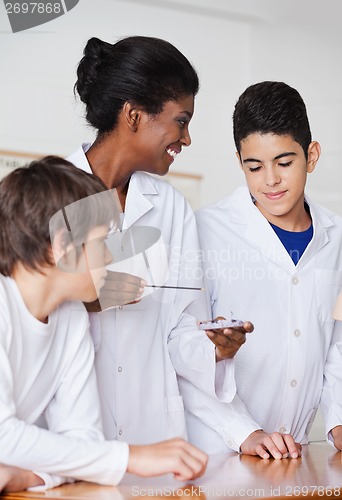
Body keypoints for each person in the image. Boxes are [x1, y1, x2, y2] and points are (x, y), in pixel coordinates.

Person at [68, 35, 253, 448]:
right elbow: (17, 315)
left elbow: (181, 328)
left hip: (155, 434)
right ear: (134, 115)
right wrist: (87, 297)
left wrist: (214, 348)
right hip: (71, 433)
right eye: (181, 121)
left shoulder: (171, 207)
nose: (186, 139)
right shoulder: (48, 191)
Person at [0, 157, 207, 493]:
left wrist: (26, 476)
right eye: (101, 244)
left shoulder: (71, 317)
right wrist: (129, 458)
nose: (109, 258)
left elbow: (84, 440)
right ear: (64, 248)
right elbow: (3, 436)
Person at [192, 81, 342, 458]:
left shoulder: (336, 238)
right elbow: (183, 348)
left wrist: (338, 420)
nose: (270, 180)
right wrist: (244, 431)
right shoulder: (205, 231)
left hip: (295, 455)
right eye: (254, 166)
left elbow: (336, 344)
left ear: (312, 155)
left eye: (284, 163)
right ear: (239, 161)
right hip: (216, 452)